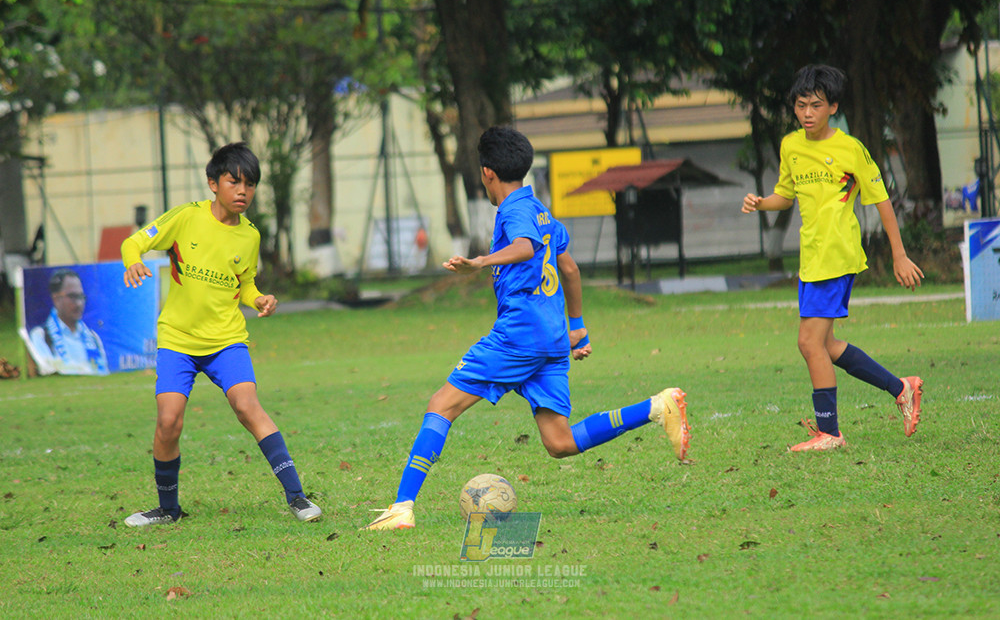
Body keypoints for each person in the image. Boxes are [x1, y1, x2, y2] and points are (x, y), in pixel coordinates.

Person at [364, 126, 691, 530]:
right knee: (560, 442)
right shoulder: (541, 212)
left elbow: (525, 247)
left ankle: (402, 508)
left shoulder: (514, 212)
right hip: (550, 338)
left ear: (487, 173)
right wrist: (577, 329)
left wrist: (480, 262)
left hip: (519, 336)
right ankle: (658, 407)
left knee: (440, 405)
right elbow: (569, 270)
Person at [120, 142, 321, 526]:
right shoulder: (186, 217)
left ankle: (297, 498)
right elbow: (135, 242)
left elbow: (244, 284)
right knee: (168, 422)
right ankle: (168, 510)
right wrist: (133, 261)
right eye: (234, 182)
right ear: (213, 183)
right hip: (178, 340)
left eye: (250, 184)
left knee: (248, 407)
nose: (243, 191)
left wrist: (258, 298)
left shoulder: (250, 236)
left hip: (226, 341)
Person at [740, 64, 924, 451]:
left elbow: (881, 201)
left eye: (816, 105)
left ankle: (830, 432)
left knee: (809, 343)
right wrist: (761, 203)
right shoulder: (791, 146)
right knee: (825, 345)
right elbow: (785, 196)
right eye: (801, 105)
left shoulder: (850, 149)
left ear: (833, 107)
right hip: (811, 259)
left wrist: (899, 255)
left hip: (837, 256)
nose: (807, 113)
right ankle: (901, 388)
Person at [28, 269, 109, 375]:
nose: (79, 303)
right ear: (56, 299)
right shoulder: (41, 336)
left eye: (81, 297)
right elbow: (49, 370)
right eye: (72, 297)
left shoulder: (93, 338)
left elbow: (103, 373)